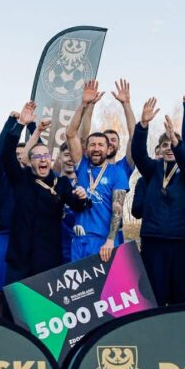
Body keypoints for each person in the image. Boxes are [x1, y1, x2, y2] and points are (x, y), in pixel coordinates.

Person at [1, 104, 88, 283]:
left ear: (50, 159)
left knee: (43, 302)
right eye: (38, 157)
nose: (43, 159)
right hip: (19, 259)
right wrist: (20, 124)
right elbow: (6, 155)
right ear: (30, 162)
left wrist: (82, 197)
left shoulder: (61, 183)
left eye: (46, 156)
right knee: (16, 302)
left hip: (48, 259)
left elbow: (77, 205)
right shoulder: (21, 178)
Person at [132, 94, 185, 305]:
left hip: (183, 241)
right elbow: (138, 155)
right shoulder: (152, 169)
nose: (169, 147)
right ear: (159, 149)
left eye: (173, 144)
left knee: (182, 297)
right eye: (165, 144)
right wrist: (142, 126)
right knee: (154, 296)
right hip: (153, 240)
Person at [65, 80, 129, 262]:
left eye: (101, 145)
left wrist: (110, 240)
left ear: (108, 150)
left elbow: (117, 209)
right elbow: (70, 134)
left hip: (103, 242)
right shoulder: (82, 165)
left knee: (106, 282)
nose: (96, 148)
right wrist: (84, 105)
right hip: (79, 239)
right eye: (92, 144)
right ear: (86, 149)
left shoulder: (117, 172)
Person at [0, 111, 35, 316]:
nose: (19, 157)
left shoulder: (36, 178)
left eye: (23, 154)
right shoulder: (3, 175)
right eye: (16, 154)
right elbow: (0, 152)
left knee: (26, 298)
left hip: (29, 239)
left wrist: (32, 126)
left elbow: (42, 149)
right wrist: (10, 123)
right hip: (5, 235)